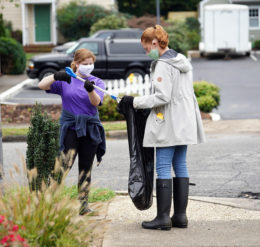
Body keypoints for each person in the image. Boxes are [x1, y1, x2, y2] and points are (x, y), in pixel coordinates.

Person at [119, 25, 205, 230]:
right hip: (185, 121)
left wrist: (135, 102)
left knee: (164, 166)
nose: (147, 52)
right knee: (181, 165)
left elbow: (163, 96)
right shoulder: (180, 60)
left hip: (169, 122)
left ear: (155, 43)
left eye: (147, 48)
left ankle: (163, 218)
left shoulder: (163, 65)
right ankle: (180, 217)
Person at [38, 48, 106, 215]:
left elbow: (96, 103)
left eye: (91, 64)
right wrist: (55, 76)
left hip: (89, 130)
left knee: (85, 168)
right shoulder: (67, 80)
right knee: (62, 166)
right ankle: (51, 204)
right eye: (85, 64)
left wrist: (91, 89)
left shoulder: (98, 82)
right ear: (76, 64)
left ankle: (83, 206)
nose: (88, 67)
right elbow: (41, 85)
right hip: (70, 129)